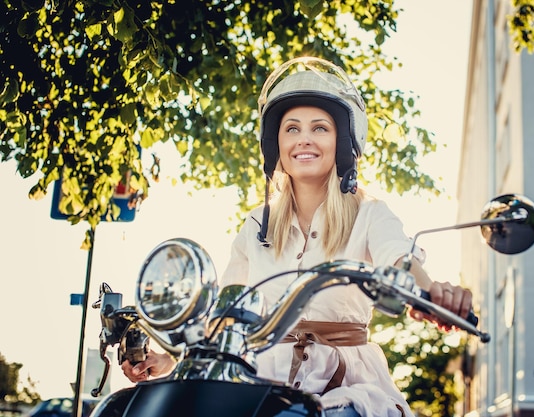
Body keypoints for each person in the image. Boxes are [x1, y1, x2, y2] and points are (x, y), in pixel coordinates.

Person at [122, 57, 473, 417]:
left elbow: (400, 259)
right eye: (291, 128)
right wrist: (170, 357)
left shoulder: (370, 214)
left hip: (347, 384)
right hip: (261, 381)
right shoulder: (256, 224)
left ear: (344, 140)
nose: (304, 138)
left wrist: (433, 294)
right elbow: (224, 314)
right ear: (276, 144)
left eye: (320, 127)